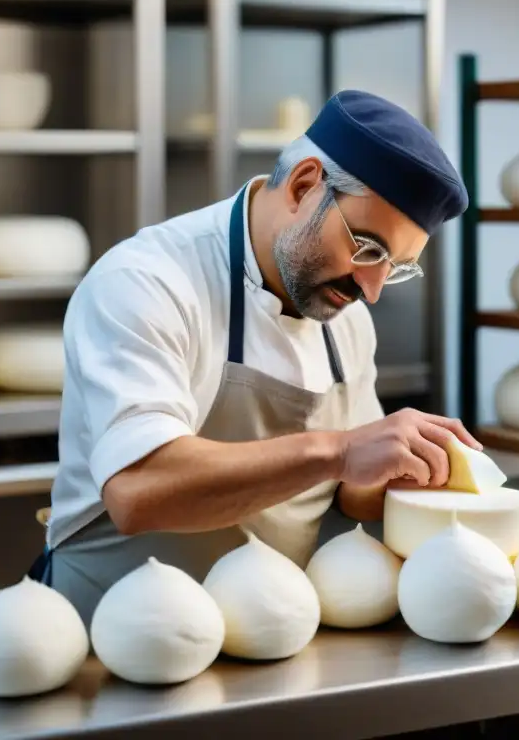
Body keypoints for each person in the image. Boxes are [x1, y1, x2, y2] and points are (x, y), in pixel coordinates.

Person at [29, 89, 475, 624]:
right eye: (368, 248)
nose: (372, 288)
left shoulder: (343, 314)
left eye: (396, 265)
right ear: (305, 185)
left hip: (271, 636)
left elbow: (352, 491)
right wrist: (338, 450)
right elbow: (138, 489)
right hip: (110, 638)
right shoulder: (147, 282)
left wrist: (410, 471)